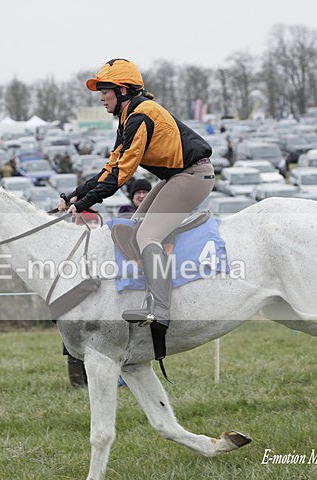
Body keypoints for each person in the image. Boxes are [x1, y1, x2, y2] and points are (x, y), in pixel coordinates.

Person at [58, 58, 214, 360]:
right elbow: (110, 167)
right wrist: (75, 195)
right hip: (180, 176)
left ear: (123, 90)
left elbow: (121, 176)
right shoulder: (129, 117)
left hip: (192, 177)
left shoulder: (140, 117)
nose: (101, 97)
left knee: (146, 237)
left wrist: (84, 204)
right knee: (136, 225)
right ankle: (149, 292)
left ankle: (160, 309)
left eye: (105, 91)